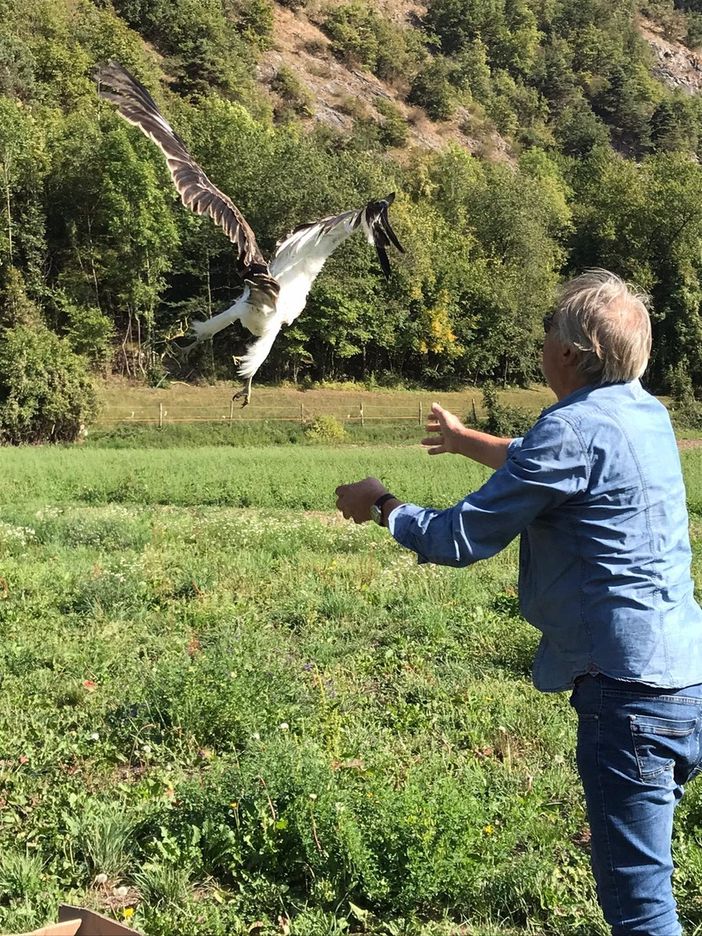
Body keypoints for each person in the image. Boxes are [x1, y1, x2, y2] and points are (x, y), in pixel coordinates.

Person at [335, 269, 702, 936]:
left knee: (641, 908)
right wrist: (464, 439)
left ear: (567, 352)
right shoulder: (645, 413)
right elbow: (540, 458)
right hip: (686, 678)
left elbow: (457, 538)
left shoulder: (572, 430)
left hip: (630, 698)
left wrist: (382, 504)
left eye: (545, 333)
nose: (540, 345)